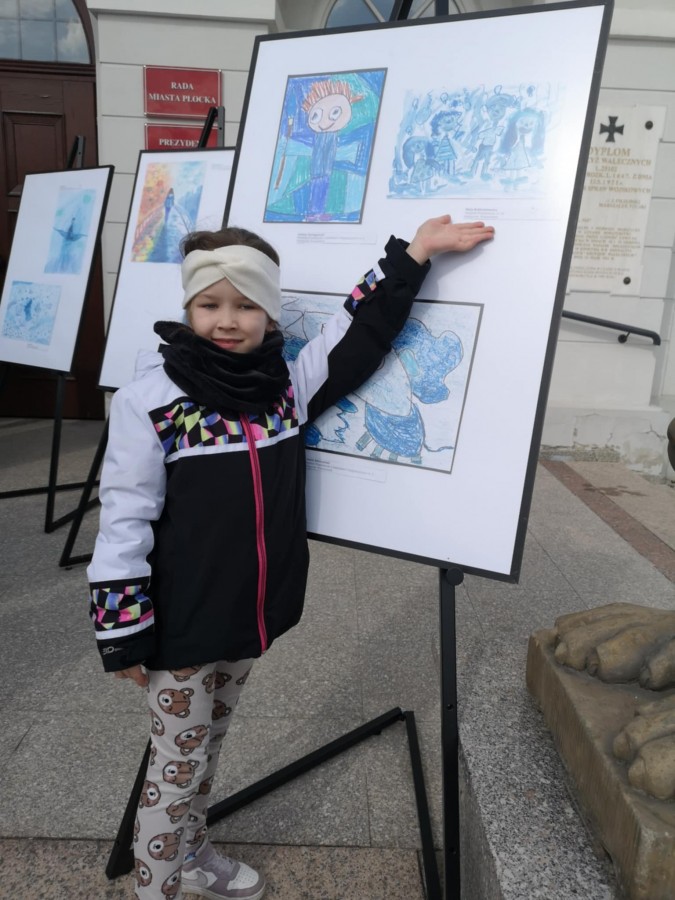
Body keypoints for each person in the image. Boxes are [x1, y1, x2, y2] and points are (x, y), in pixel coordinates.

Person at [87, 214, 494, 900]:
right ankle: (156, 887)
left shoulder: (283, 390)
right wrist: (122, 631)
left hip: (246, 618)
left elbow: (355, 336)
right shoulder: (151, 403)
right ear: (188, 308)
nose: (227, 320)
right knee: (175, 770)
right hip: (180, 627)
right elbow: (124, 519)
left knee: (206, 748)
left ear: (269, 314)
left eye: (246, 305)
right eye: (209, 304)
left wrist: (414, 255)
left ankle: (193, 854)